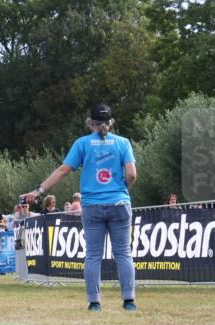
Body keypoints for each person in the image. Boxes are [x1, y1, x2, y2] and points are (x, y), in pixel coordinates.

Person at [20, 103, 138, 312]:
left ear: (90, 123)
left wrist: (38, 191)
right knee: (123, 254)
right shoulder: (123, 143)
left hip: (92, 205)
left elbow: (63, 170)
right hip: (120, 203)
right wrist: (122, 189)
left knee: (93, 255)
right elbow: (132, 174)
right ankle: (129, 301)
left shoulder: (82, 144)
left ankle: (94, 303)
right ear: (111, 122)